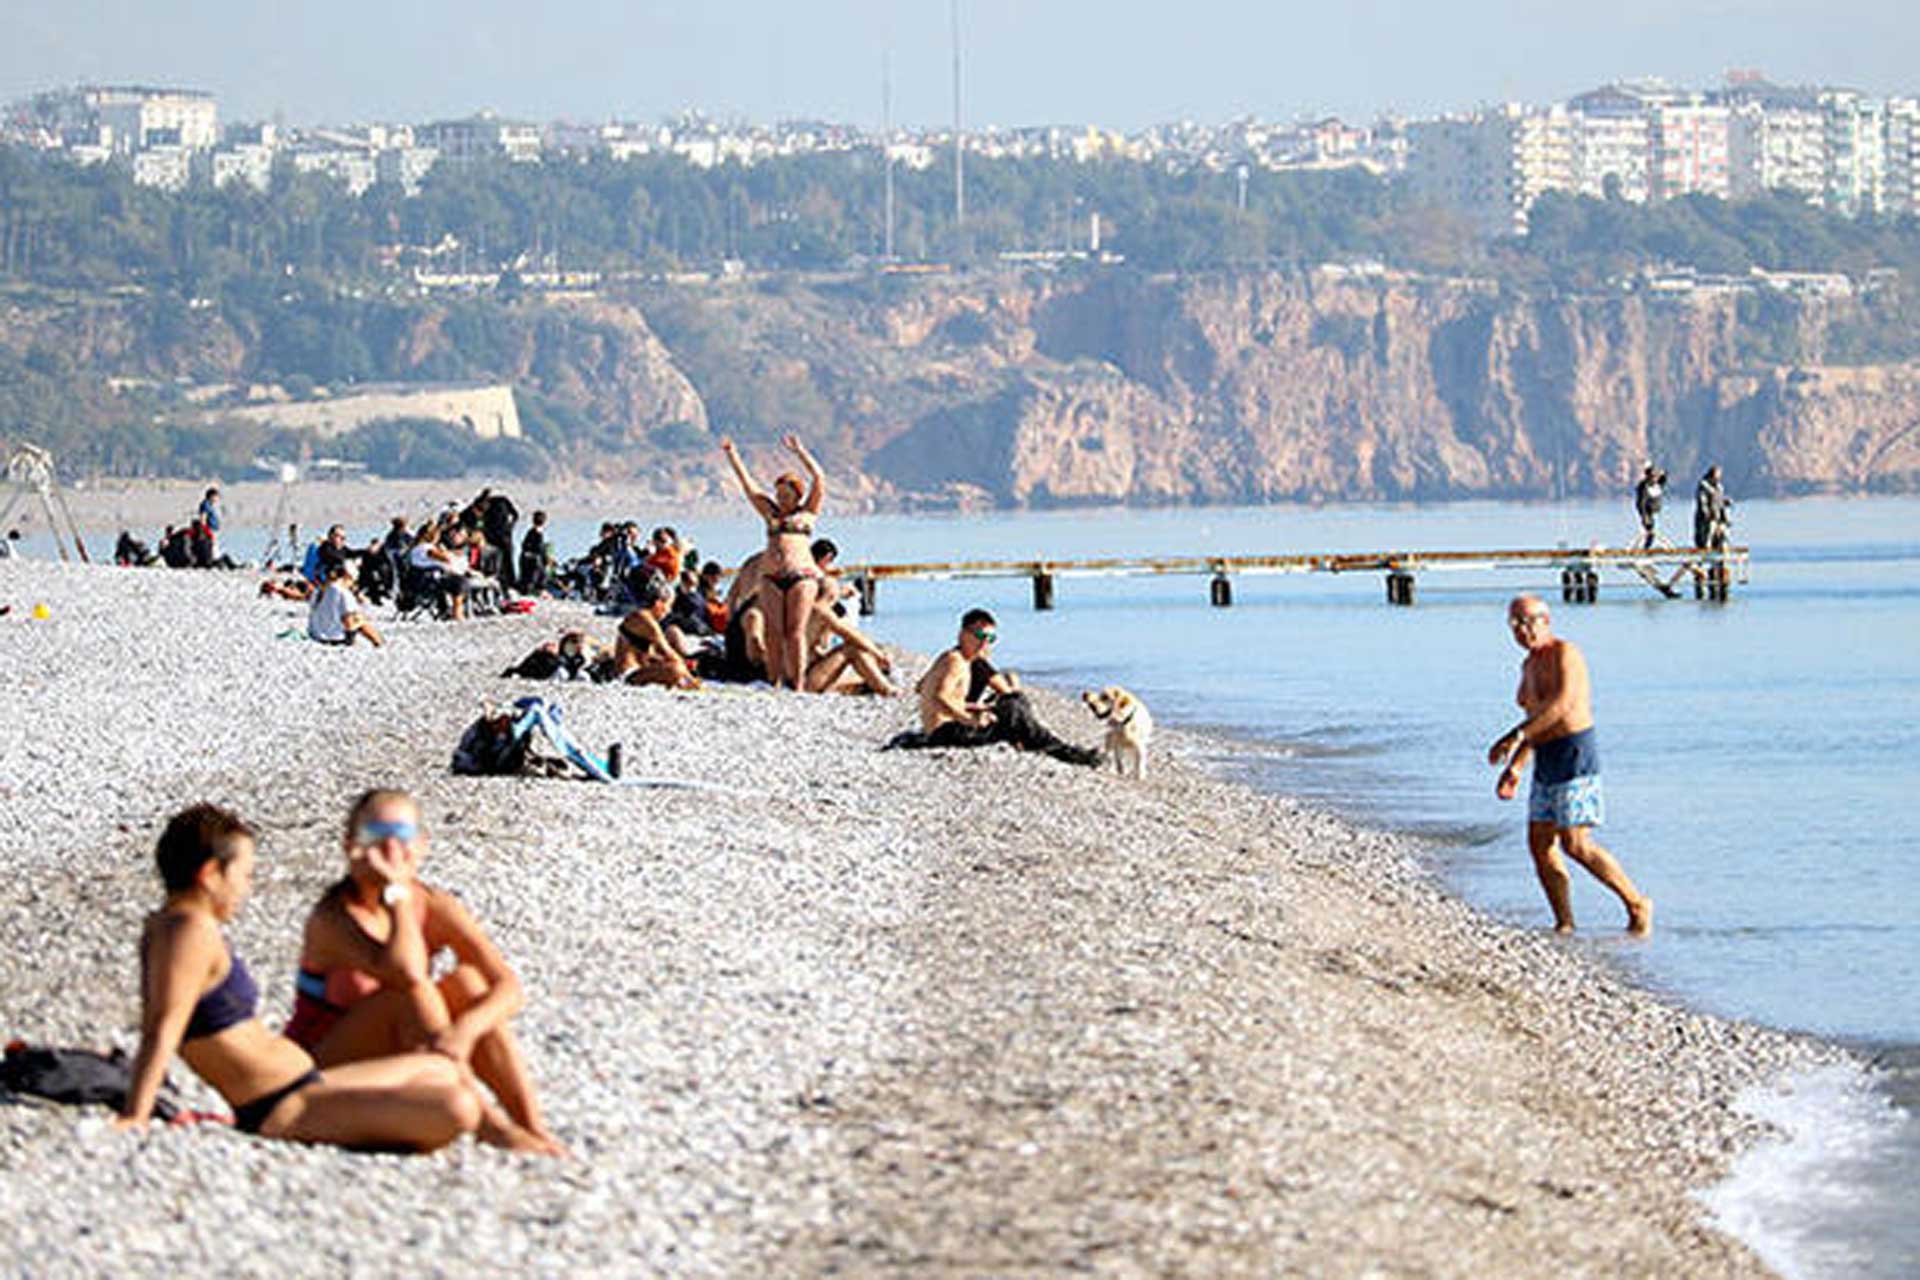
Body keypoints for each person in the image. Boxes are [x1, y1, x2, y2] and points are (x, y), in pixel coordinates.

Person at [114, 804, 494, 1151]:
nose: (247, 888)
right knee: (457, 1106)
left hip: (305, 1080)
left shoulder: (172, 925)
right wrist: (137, 1114)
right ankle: (487, 1131)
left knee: (443, 1067)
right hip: (280, 1107)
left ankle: (496, 1130)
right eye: (244, 875)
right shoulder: (188, 932)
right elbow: (163, 1027)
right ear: (211, 875)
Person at [283, 790, 562, 1154]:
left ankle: (531, 1127)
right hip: (324, 1065)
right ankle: (491, 1127)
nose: (391, 850)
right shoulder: (335, 916)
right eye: (376, 837)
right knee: (413, 994)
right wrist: (395, 892)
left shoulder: (433, 904)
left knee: (468, 983)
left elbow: (508, 986)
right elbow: (406, 973)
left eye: (402, 836)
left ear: (423, 845)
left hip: (402, 1051)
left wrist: (463, 1032)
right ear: (351, 846)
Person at [1487, 596, 1653, 936]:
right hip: (1545, 756)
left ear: (1546, 620)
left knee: (1575, 842)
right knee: (1539, 843)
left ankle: (1637, 903)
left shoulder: (1566, 654)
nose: (1523, 630)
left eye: (1529, 621)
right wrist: (1517, 767)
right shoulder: (1528, 667)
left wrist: (1516, 736)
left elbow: (1562, 707)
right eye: (1515, 623)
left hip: (1575, 753)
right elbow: (1535, 718)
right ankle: (1564, 922)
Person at [897, 609, 1099, 764]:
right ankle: (1064, 752)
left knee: (1013, 704)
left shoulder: (955, 659)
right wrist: (968, 719)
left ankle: (1050, 746)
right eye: (979, 636)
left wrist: (973, 707)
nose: (984, 643)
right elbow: (940, 697)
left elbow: (923, 688)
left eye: (990, 639)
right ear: (962, 634)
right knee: (1013, 709)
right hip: (945, 733)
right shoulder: (955, 661)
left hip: (944, 729)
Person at [719, 434, 826, 690]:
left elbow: (819, 479)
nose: (781, 498)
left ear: (796, 494)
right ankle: (774, 680)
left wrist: (800, 452)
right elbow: (748, 486)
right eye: (778, 493)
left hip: (801, 575)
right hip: (771, 576)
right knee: (773, 631)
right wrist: (732, 455)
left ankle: (798, 683)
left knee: (795, 631)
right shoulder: (770, 513)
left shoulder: (807, 513)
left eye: (786, 493)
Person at [613, 572, 701, 689]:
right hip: (627, 674)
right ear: (659, 603)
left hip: (635, 669)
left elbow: (646, 654)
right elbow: (669, 653)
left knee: (675, 662)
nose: (669, 611)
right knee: (676, 669)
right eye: (669, 606)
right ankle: (687, 682)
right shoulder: (646, 620)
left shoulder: (640, 616)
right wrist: (689, 675)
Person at [308, 562, 385, 647]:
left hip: (316, 635)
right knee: (359, 618)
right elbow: (349, 620)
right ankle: (378, 642)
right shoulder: (342, 592)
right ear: (347, 577)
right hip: (333, 638)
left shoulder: (318, 590)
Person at [1694, 465, 1732, 551]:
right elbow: (1702, 502)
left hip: (1718, 517)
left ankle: (1722, 547)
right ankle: (1707, 545)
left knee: (1723, 531)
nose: (1719, 477)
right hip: (1707, 520)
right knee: (1710, 528)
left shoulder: (1719, 487)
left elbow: (1719, 501)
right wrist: (1707, 513)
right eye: (1717, 475)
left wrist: (1725, 502)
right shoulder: (1704, 487)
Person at [1633, 463, 1667, 550]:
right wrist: (1645, 518)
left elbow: (1662, 482)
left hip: (1653, 508)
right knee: (1650, 529)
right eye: (1652, 476)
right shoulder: (1644, 486)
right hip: (1645, 509)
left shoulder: (1657, 484)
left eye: (1655, 476)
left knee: (1651, 530)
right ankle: (1645, 548)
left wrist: (1664, 474)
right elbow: (1641, 504)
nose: (1654, 478)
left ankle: (1647, 547)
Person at [519, 511, 552, 595]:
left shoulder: (532, 532)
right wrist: (546, 558)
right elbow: (538, 548)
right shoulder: (535, 533)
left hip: (528, 559)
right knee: (534, 577)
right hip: (532, 560)